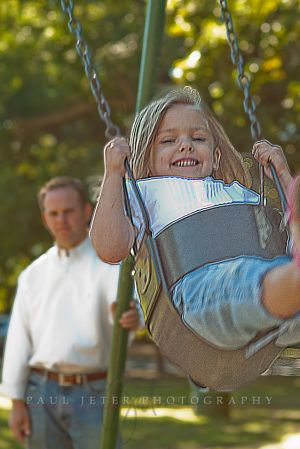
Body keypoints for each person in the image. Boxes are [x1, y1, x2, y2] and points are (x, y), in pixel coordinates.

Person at [90, 86, 300, 356]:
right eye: (167, 141)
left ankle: (291, 279)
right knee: (242, 277)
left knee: (274, 267)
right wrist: (114, 174)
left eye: (198, 138)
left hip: (266, 302)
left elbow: (285, 238)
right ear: (147, 157)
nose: (185, 145)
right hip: (195, 295)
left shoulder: (238, 194)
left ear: (216, 156)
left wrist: (283, 177)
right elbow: (110, 248)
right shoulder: (145, 192)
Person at [0, 176, 141, 449]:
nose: (61, 220)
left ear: (87, 211)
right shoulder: (33, 274)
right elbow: (18, 341)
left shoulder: (112, 265)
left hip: (94, 393)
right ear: (45, 219)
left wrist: (129, 317)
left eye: (69, 211)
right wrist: (16, 402)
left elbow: (128, 315)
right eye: (54, 213)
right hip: (40, 394)